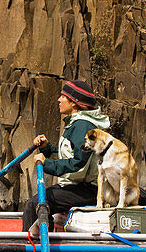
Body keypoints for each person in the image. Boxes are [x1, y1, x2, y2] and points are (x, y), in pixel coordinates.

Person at [22, 80, 111, 232]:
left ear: (74, 103)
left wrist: (47, 164)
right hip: (80, 186)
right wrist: (48, 148)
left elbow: (78, 164)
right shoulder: (77, 123)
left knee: (33, 205)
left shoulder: (82, 125)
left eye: (63, 97)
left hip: (90, 189)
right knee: (39, 203)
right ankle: (45, 243)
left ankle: (33, 251)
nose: (59, 100)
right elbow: (72, 152)